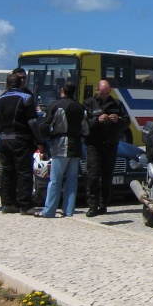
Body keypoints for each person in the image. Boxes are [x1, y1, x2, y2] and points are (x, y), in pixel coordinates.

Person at [36, 80, 88, 218]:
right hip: (76, 144)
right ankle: (69, 209)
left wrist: (47, 138)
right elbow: (85, 129)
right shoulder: (80, 107)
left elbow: (44, 125)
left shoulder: (56, 105)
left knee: (55, 179)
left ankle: (49, 210)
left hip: (61, 143)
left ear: (62, 91)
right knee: (72, 180)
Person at [0, 72, 39, 214]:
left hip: (4, 139)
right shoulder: (26, 98)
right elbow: (32, 121)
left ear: (7, 85)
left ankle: (7, 203)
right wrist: (39, 139)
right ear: (20, 84)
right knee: (24, 172)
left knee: (7, 172)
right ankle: (25, 205)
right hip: (21, 139)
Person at [83, 80, 129, 217]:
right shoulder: (88, 103)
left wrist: (118, 120)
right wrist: (97, 120)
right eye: (102, 93)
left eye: (107, 93)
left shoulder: (117, 103)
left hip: (110, 144)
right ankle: (92, 205)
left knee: (107, 176)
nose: (105, 95)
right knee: (93, 175)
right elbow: (84, 125)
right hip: (94, 145)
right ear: (97, 90)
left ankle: (103, 204)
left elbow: (126, 123)